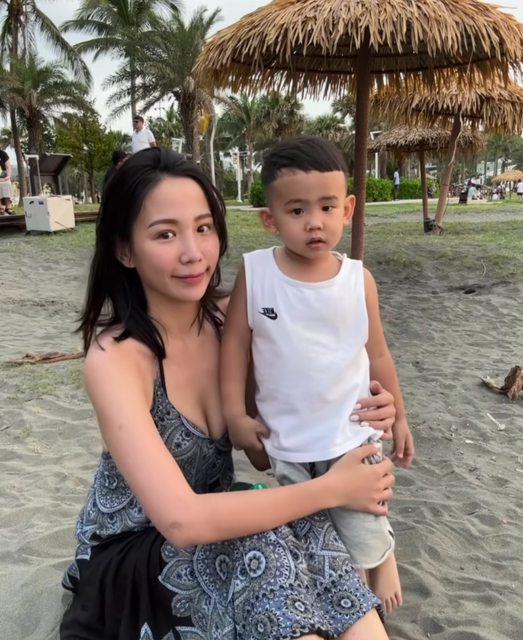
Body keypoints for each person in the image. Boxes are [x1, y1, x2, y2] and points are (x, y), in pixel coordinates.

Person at [60, 147, 398, 640]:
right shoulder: (116, 359)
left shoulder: (232, 316)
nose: (193, 252)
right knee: (268, 544)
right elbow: (180, 520)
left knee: (309, 530)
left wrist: (369, 405)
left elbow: (302, 395)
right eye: (165, 234)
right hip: (137, 550)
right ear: (125, 249)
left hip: (218, 518)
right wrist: (333, 488)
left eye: (203, 228)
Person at [221, 137, 415, 616]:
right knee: (307, 528)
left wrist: (400, 417)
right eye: (297, 210)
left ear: (347, 209)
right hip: (286, 437)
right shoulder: (256, 273)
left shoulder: (357, 280)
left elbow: (378, 353)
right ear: (270, 219)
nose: (314, 222)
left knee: (362, 522)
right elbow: (235, 348)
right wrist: (235, 415)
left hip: (351, 430)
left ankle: (381, 559)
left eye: (327, 207)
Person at [0, 147, 14, 215]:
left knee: (7, 184)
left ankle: (8, 207)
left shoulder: (3, 154)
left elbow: (8, 167)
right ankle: (1, 207)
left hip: (3, 177)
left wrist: (8, 176)